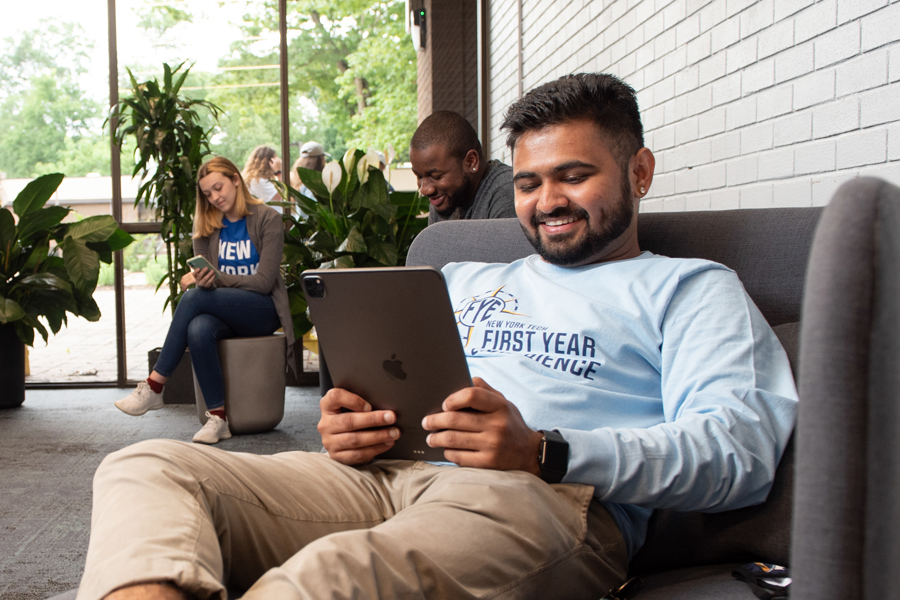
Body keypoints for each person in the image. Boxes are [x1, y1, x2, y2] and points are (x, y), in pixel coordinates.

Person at [79, 73, 797, 600]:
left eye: (574, 177)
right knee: (147, 469)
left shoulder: (690, 288)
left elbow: (738, 450)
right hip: (387, 477)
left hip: (545, 500)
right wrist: (347, 424)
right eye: (529, 182)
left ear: (639, 172)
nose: (546, 201)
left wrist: (545, 450)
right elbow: (386, 383)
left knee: (328, 581)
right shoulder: (465, 279)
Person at [114, 157, 295, 445]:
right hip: (224, 311)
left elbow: (263, 282)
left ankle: (155, 386)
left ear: (236, 179)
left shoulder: (267, 219)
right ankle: (217, 418)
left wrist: (217, 279)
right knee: (198, 327)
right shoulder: (207, 226)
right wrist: (204, 279)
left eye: (219, 187)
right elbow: (210, 286)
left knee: (194, 299)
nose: (215, 197)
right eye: (208, 193)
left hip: (262, 310)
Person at [410, 110, 517, 224]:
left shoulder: (507, 192)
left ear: (471, 162)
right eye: (419, 176)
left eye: (436, 176)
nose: (425, 189)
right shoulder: (443, 199)